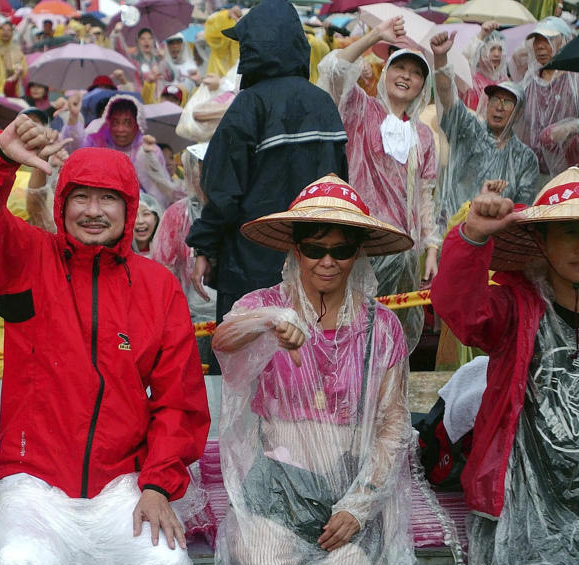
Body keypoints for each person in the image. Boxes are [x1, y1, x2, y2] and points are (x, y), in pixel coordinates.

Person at [0, 114, 209, 565]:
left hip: (123, 485)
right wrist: (0, 158)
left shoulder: (158, 287)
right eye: (81, 197)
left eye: (108, 198)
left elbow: (178, 401)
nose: (93, 211)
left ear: (129, 205)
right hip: (33, 483)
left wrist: (159, 485)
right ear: (62, 202)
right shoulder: (28, 261)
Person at [212, 174, 419, 565]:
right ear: (296, 249)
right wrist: (268, 323)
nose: (328, 261)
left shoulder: (382, 328)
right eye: (314, 248)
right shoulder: (263, 305)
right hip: (275, 485)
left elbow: (393, 425)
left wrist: (359, 507)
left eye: (341, 250)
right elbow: (224, 339)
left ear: (358, 253)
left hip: (350, 483)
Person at [430, 167, 579, 565]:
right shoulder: (516, 311)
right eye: (567, 231)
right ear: (542, 242)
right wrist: (472, 235)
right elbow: (461, 310)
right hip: (523, 514)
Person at [186, 0, 348, 330]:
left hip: (251, 268)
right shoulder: (323, 103)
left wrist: (205, 246)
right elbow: (340, 186)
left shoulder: (249, 104)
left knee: (247, 369)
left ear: (255, 48)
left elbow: (222, 190)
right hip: (316, 266)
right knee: (308, 369)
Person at [318, 17, 440, 351]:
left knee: (391, 339)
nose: (406, 77)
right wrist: (375, 36)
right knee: (351, 334)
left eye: (416, 73)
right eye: (400, 67)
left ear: (422, 85)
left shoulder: (424, 136)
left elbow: (426, 197)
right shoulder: (361, 109)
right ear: (385, 72)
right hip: (360, 243)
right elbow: (332, 70)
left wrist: (430, 247)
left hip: (403, 252)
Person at [431, 31, 539, 222]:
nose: (499, 106)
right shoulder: (469, 130)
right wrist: (440, 59)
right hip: (452, 232)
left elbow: (522, 211)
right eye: (495, 99)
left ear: (519, 113)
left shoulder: (525, 158)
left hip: (495, 241)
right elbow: (447, 95)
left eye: (507, 103)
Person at [151, 144, 216, 364]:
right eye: (199, 172)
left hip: (234, 314)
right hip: (192, 321)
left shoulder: (240, 212)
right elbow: (163, 271)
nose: (206, 179)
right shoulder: (177, 214)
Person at [63, 94, 181, 208]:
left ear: (138, 124)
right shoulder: (97, 142)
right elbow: (76, 153)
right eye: (115, 122)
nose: (120, 129)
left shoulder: (148, 150)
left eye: (127, 123)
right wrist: (73, 117)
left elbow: (159, 196)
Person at [513, 22, 579, 181]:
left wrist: (569, 127)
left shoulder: (574, 79)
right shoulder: (530, 80)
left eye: (547, 40)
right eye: (537, 40)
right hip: (533, 170)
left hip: (570, 171)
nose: (540, 47)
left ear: (563, 41)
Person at [461, 21, 508, 110]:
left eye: (500, 49)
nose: (497, 54)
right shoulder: (472, 81)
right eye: (492, 49)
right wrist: (481, 35)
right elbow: (464, 61)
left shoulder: (505, 81)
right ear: (481, 52)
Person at [133, 192, 162, 257]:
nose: (140, 221)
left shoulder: (166, 253)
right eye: (134, 215)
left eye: (146, 214)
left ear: (156, 218)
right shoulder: (118, 255)